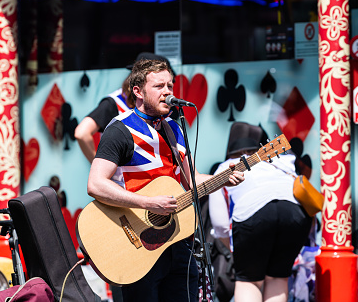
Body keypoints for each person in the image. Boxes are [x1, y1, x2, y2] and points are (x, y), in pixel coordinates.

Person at [86, 58, 244, 302]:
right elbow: (95, 184)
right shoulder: (120, 130)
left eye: (170, 85)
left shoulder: (174, 128)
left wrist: (223, 178)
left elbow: (192, 181)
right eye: (159, 86)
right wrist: (148, 204)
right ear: (137, 91)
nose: (168, 92)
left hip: (177, 241)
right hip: (138, 245)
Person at [209, 122, 312, 302]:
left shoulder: (226, 167)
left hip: (254, 211)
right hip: (296, 214)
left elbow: (220, 225)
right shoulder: (280, 162)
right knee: (277, 277)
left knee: (249, 281)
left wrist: (236, 251)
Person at [75, 52, 174, 163]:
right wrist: (99, 165)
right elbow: (81, 133)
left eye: (169, 85)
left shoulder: (161, 108)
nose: (166, 91)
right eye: (158, 85)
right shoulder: (114, 103)